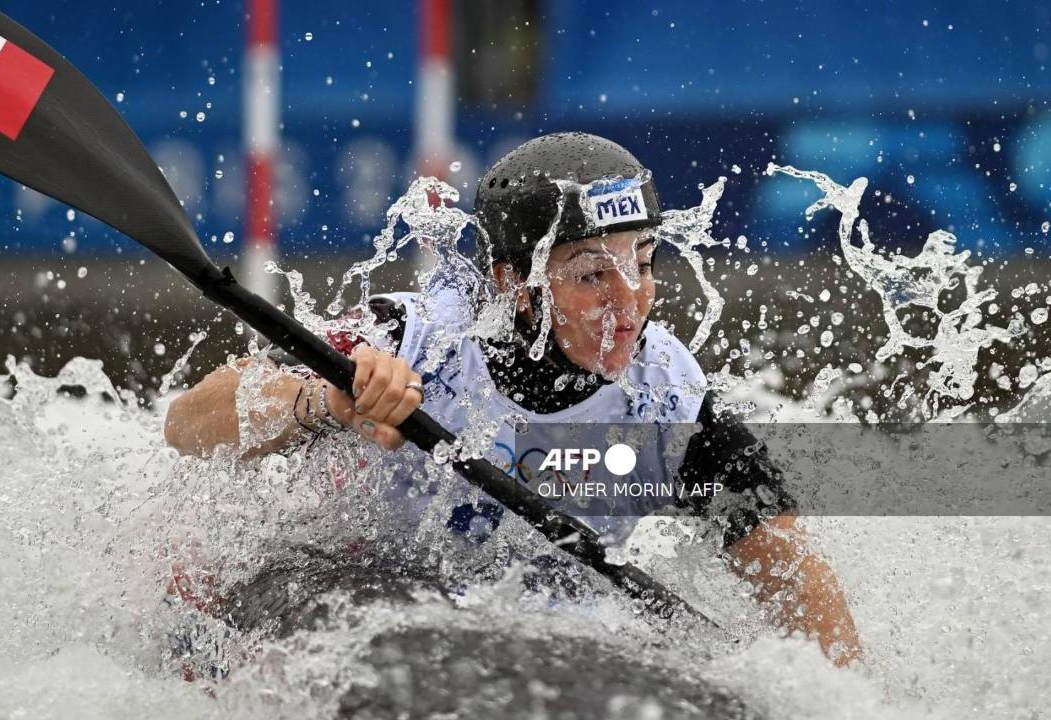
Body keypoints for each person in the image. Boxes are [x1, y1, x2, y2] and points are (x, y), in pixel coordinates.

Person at [164, 132, 862, 666]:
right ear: (513, 283)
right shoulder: (412, 337)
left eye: (643, 265)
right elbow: (188, 421)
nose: (630, 304)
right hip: (348, 584)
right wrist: (327, 402)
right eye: (593, 275)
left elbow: (796, 584)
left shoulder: (668, 405)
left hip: (531, 628)